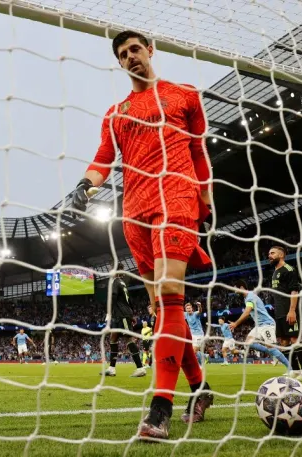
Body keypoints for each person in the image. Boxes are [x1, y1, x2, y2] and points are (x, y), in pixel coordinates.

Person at [70, 30, 214, 439]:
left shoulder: (184, 95)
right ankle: (200, 388)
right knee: (161, 305)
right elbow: (102, 159)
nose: (130, 56)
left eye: (135, 49)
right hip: (134, 213)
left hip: (177, 196)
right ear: (119, 63)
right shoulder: (115, 113)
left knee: (171, 293)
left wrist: (205, 199)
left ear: (150, 51)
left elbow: (200, 152)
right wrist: (85, 184)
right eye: (122, 54)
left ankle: (160, 408)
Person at [268, 246, 302, 382]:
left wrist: (292, 310)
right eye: (269, 253)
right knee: (284, 341)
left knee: (294, 340)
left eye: (272, 253)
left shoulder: (289, 270)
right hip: (280, 312)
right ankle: (294, 370)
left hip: (289, 311)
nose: (269, 255)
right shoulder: (275, 271)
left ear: (281, 255)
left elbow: (294, 291)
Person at [228, 279, 291, 372]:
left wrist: (236, 323)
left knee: (271, 347)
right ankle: (273, 354)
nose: (235, 291)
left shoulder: (250, 297)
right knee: (248, 342)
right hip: (259, 326)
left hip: (267, 324)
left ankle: (290, 369)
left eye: (235, 289)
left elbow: (247, 312)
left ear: (241, 287)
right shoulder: (247, 297)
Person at [101, 263, 146, 378]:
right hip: (121, 315)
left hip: (122, 315)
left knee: (128, 339)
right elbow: (128, 300)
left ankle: (140, 368)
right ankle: (112, 368)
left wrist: (108, 313)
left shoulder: (115, 282)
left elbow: (113, 297)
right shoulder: (122, 282)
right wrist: (132, 314)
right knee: (113, 337)